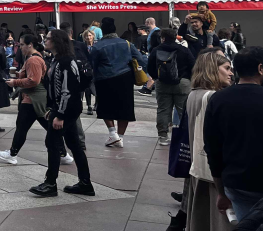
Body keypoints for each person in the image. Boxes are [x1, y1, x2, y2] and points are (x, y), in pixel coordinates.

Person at [165, 49, 235, 231]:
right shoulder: (214, 97)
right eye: (227, 68)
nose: (231, 73)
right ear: (213, 69)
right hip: (212, 170)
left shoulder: (194, 94)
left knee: (200, 220)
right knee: (219, 223)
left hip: (198, 165)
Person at [204, 46, 263, 223]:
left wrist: (221, 191)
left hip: (235, 182)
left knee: (246, 229)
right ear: (260, 69)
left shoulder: (218, 99)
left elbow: (213, 149)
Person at [28, 29, 95, 198]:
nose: (45, 41)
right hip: (66, 110)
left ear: (57, 41)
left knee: (52, 143)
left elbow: (67, 91)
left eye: (49, 39)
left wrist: (60, 115)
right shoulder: (58, 60)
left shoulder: (65, 62)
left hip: (66, 111)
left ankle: (50, 183)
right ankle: (85, 183)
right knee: (74, 146)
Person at [0, 35, 52, 165]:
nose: (19, 48)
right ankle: (63, 153)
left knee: (22, 127)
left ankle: (12, 154)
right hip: (34, 98)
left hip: (32, 98)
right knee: (46, 125)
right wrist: (18, 75)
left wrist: (15, 81)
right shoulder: (34, 58)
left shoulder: (33, 60)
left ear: (30, 44)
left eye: (21, 45)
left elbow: (34, 80)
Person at [89, 17, 146, 148]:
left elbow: (93, 64)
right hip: (125, 78)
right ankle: (120, 137)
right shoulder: (126, 43)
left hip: (104, 79)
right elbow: (140, 59)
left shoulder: (97, 46)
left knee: (105, 107)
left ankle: (112, 133)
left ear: (102, 31)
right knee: (125, 108)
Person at [147, 28, 195, 146]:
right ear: (175, 37)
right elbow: (193, 66)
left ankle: (163, 136)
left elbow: (150, 67)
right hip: (182, 83)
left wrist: (157, 77)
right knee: (183, 111)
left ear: (162, 38)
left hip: (162, 83)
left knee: (163, 110)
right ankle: (187, 135)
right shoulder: (184, 50)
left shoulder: (156, 50)